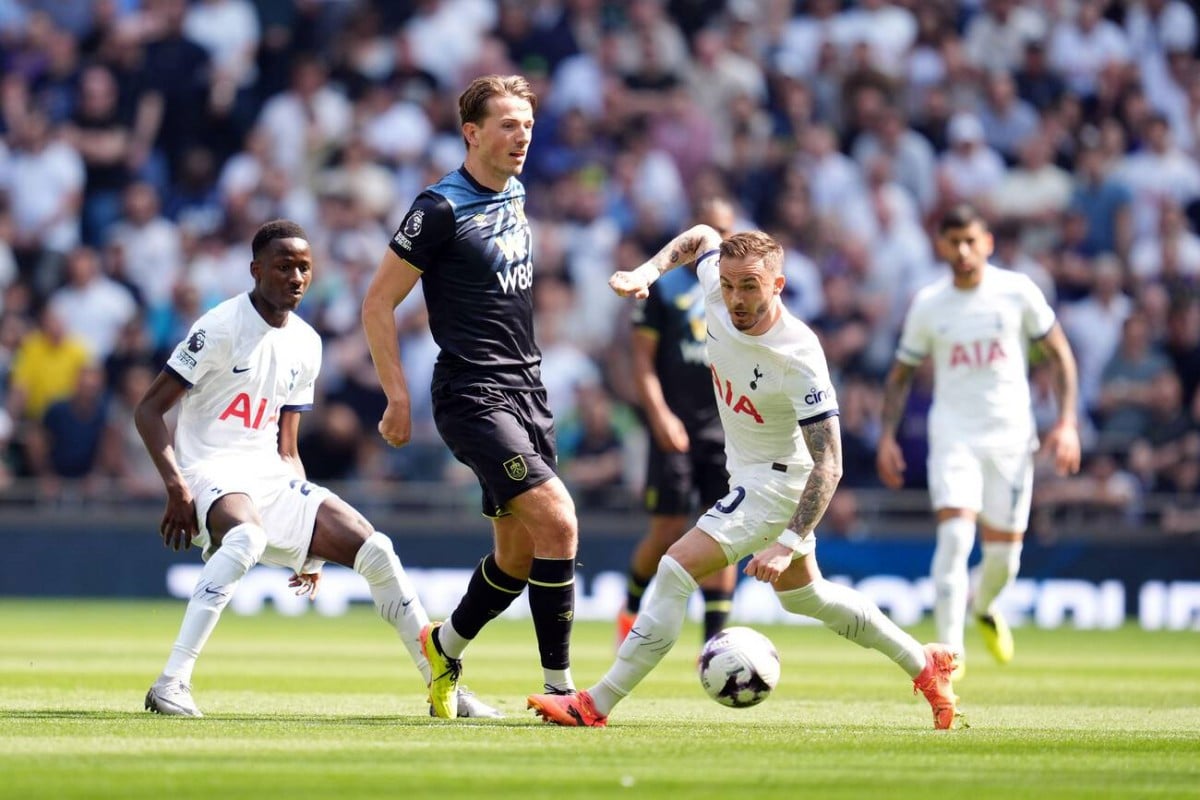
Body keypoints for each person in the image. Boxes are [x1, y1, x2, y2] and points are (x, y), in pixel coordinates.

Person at [527, 227, 961, 730]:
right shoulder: (717, 287)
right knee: (806, 596)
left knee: (674, 569)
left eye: (750, 286)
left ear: (778, 285)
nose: (735, 297)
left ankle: (594, 704)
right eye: (729, 285)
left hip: (778, 485)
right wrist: (649, 272)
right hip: (751, 473)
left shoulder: (798, 353)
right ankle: (924, 664)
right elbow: (702, 237)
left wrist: (788, 540)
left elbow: (830, 463)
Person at [137, 219, 498, 719]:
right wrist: (177, 488)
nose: (296, 277)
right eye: (284, 266)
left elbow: (286, 448)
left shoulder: (308, 342)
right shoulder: (219, 327)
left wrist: (308, 540)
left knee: (377, 549)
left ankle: (445, 690)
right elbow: (148, 410)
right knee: (245, 539)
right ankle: (171, 683)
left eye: (304, 268)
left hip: (268, 475)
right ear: (256, 270)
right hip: (207, 470)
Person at [361, 75, 579, 719]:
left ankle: (442, 648)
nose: (523, 137)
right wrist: (396, 397)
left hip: (528, 391)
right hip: (472, 393)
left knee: (515, 558)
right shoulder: (438, 209)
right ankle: (562, 689)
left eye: (529, 126)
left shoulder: (514, 193)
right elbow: (377, 303)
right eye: (509, 125)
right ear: (472, 133)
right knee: (559, 523)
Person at [875, 204, 1081, 676]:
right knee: (953, 538)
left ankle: (984, 606)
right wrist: (887, 435)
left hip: (1011, 438)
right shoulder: (929, 304)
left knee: (1004, 561)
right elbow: (900, 375)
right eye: (953, 242)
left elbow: (1059, 355)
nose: (963, 251)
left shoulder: (1017, 292)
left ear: (987, 242)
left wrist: (1067, 422)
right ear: (940, 245)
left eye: (971, 240)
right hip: (954, 437)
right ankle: (948, 658)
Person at [618, 197, 739, 650]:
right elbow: (642, 363)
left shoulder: (741, 290)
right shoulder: (664, 292)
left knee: (724, 528)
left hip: (727, 429)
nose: (719, 242)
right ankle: (628, 612)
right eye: (710, 232)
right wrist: (661, 416)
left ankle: (714, 642)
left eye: (726, 232)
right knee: (667, 528)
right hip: (674, 425)